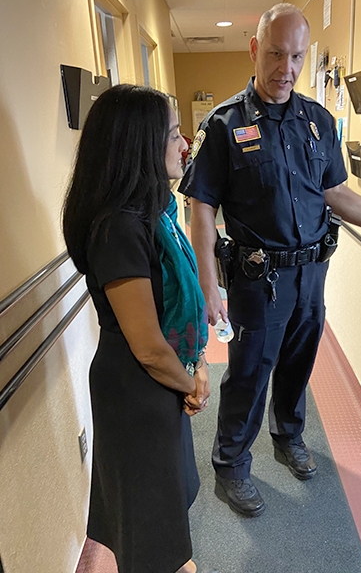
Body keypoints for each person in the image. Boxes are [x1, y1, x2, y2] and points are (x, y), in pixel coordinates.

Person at [179, 2, 361, 518]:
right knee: (251, 373)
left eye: (297, 56)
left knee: (299, 363)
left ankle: (289, 435)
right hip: (259, 280)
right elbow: (202, 212)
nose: (287, 68)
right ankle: (231, 463)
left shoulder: (318, 121)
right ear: (256, 49)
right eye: (276, 54)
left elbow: (336, 193)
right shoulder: (225, 125)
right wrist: (208, 285)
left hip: (311, 273)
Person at [63, 84, 209, 573]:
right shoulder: (119, 228)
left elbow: (177, 312)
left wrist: (199, 364)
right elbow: (147, 345)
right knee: (150, 530)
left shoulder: (157, 214)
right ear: (141, 146)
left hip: (160, 381)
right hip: (135, 392)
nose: (185, 143)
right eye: (173, 134)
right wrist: (190, 382)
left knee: (160, 516)